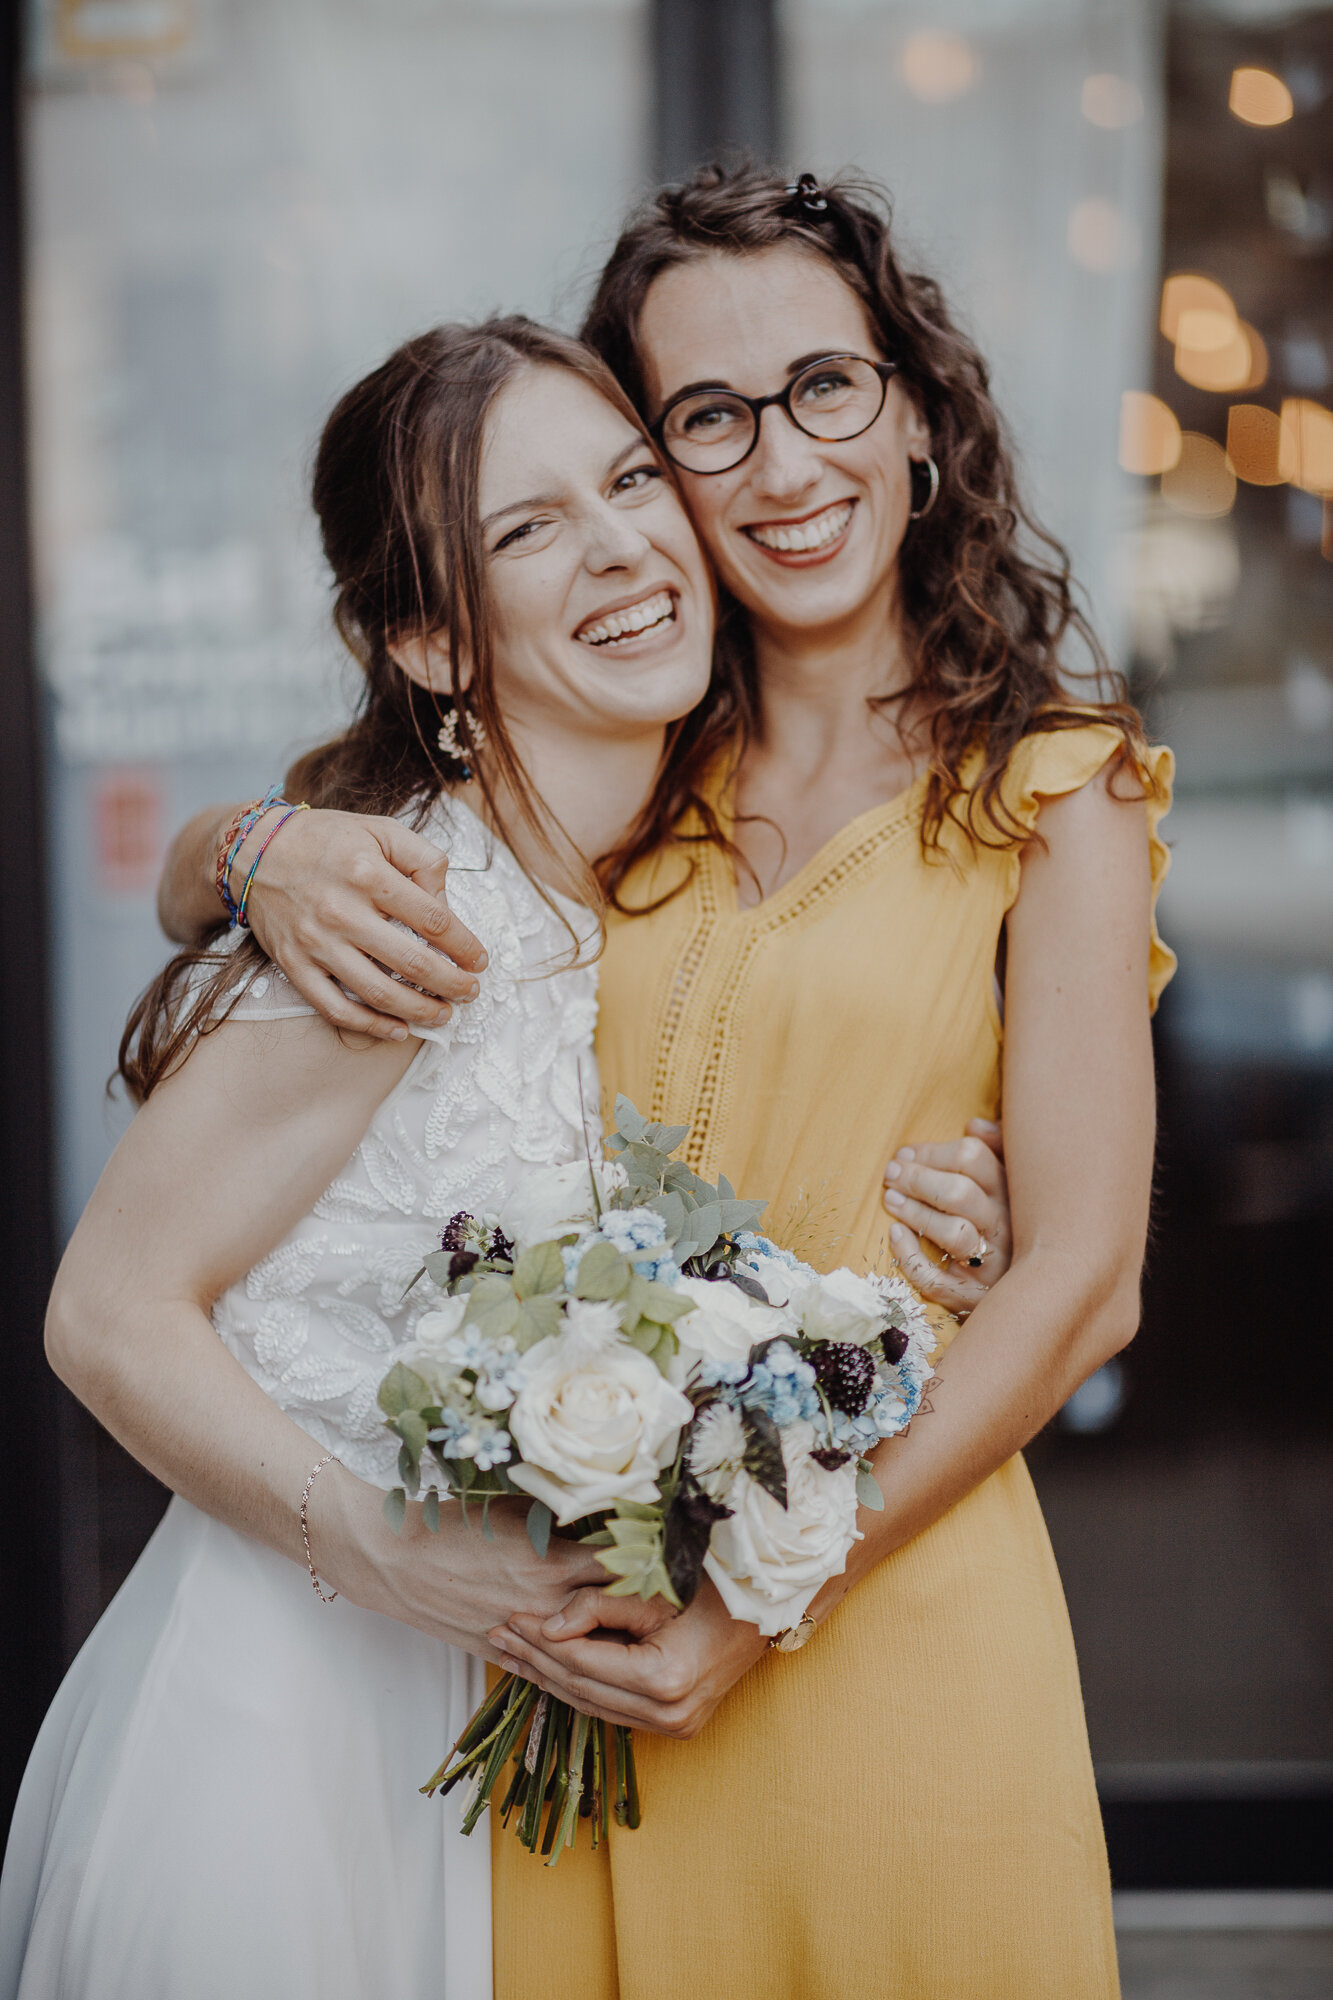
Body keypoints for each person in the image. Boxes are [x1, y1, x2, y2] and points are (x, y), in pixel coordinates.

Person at [169, 167, 1174, 2000]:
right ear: (663, 468)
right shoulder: (617, 747)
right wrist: (245, 847)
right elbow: (368, 826)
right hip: (592, 1645)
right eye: (707, 419)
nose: (782, 466)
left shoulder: (1054, 786)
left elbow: (1084, 1281)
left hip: (891, 1593)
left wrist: (765, 1592)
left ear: (917, 410)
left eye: (825, 389)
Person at [2, 312, 1007, 2000]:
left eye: (626, 481)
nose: (622, 546)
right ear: (427, 639)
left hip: (489, 1740)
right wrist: (383, 1551)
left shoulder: (633, 888)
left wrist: (945, 1211)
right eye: (526, 530)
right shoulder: (415, 913)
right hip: (297, 1739)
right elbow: (104, 1314)